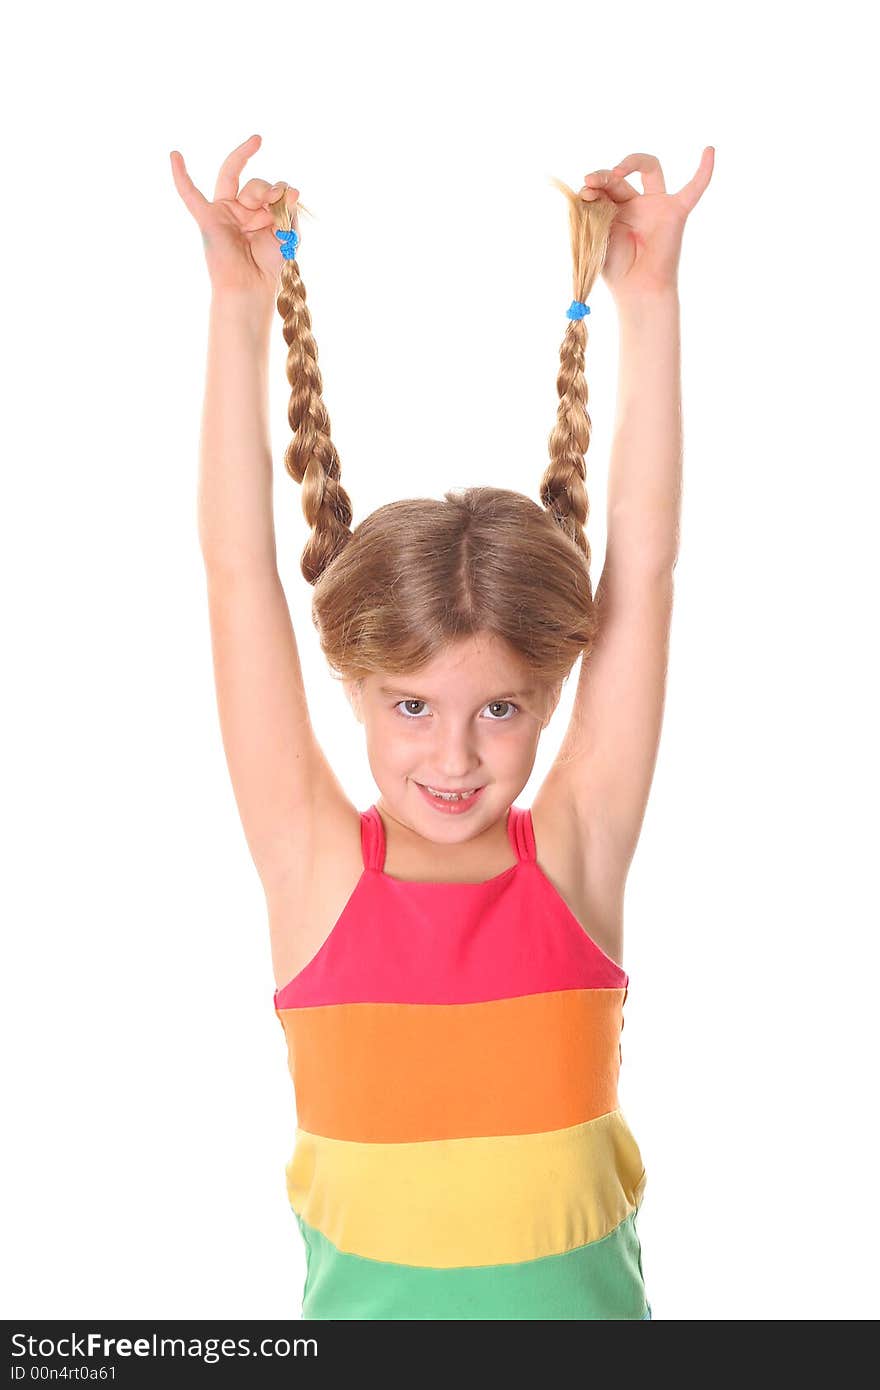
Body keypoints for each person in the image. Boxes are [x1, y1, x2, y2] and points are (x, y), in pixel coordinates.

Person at [170, 134, 714, 1320]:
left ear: (552, 698)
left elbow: (647, 561)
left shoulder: (574, 850)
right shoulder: (315, 868)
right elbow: (235, 576)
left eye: (500, 710)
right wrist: (237, 311)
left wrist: (651, 303)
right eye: (411, 707)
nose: (454, 756)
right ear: (356, 689)